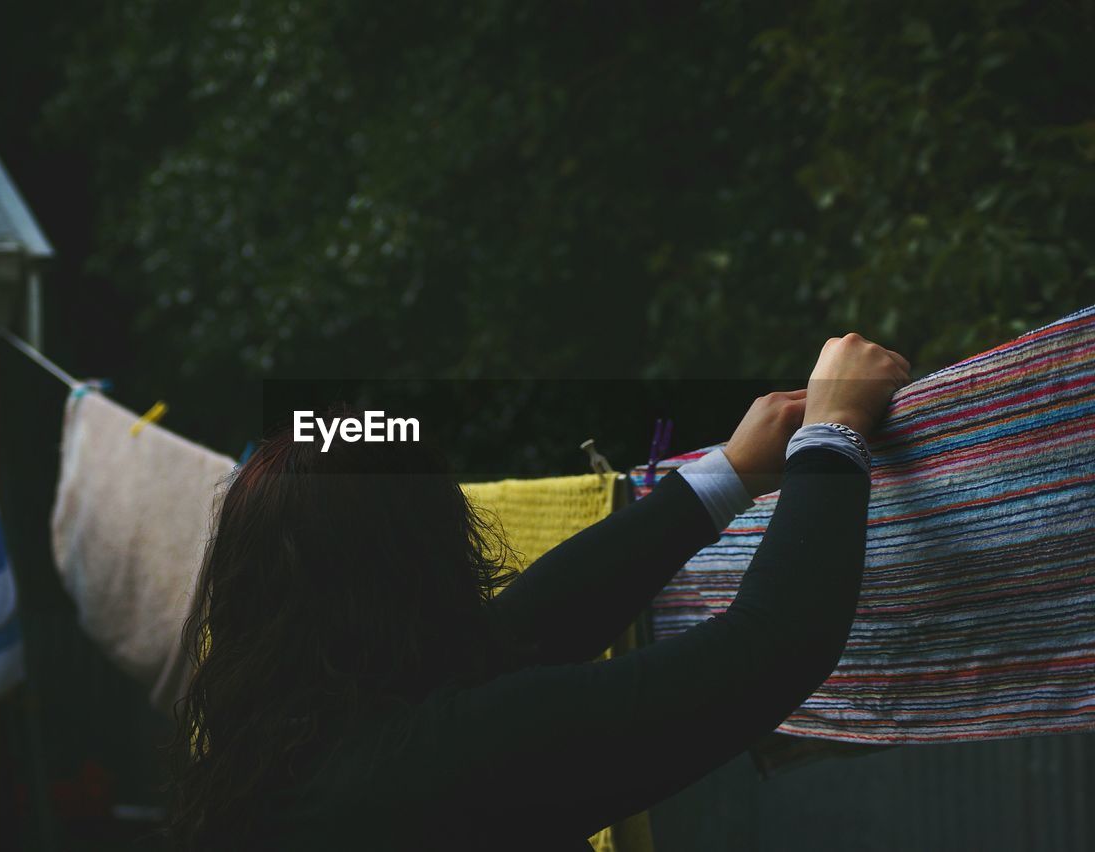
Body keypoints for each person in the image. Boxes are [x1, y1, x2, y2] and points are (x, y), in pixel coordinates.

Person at [170, 333, 911, 850]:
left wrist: (729, 475)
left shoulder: (287, 748)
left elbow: (519, 632)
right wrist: (832, 430)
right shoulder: (450, 762)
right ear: (420, 562)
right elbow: (769, 647)